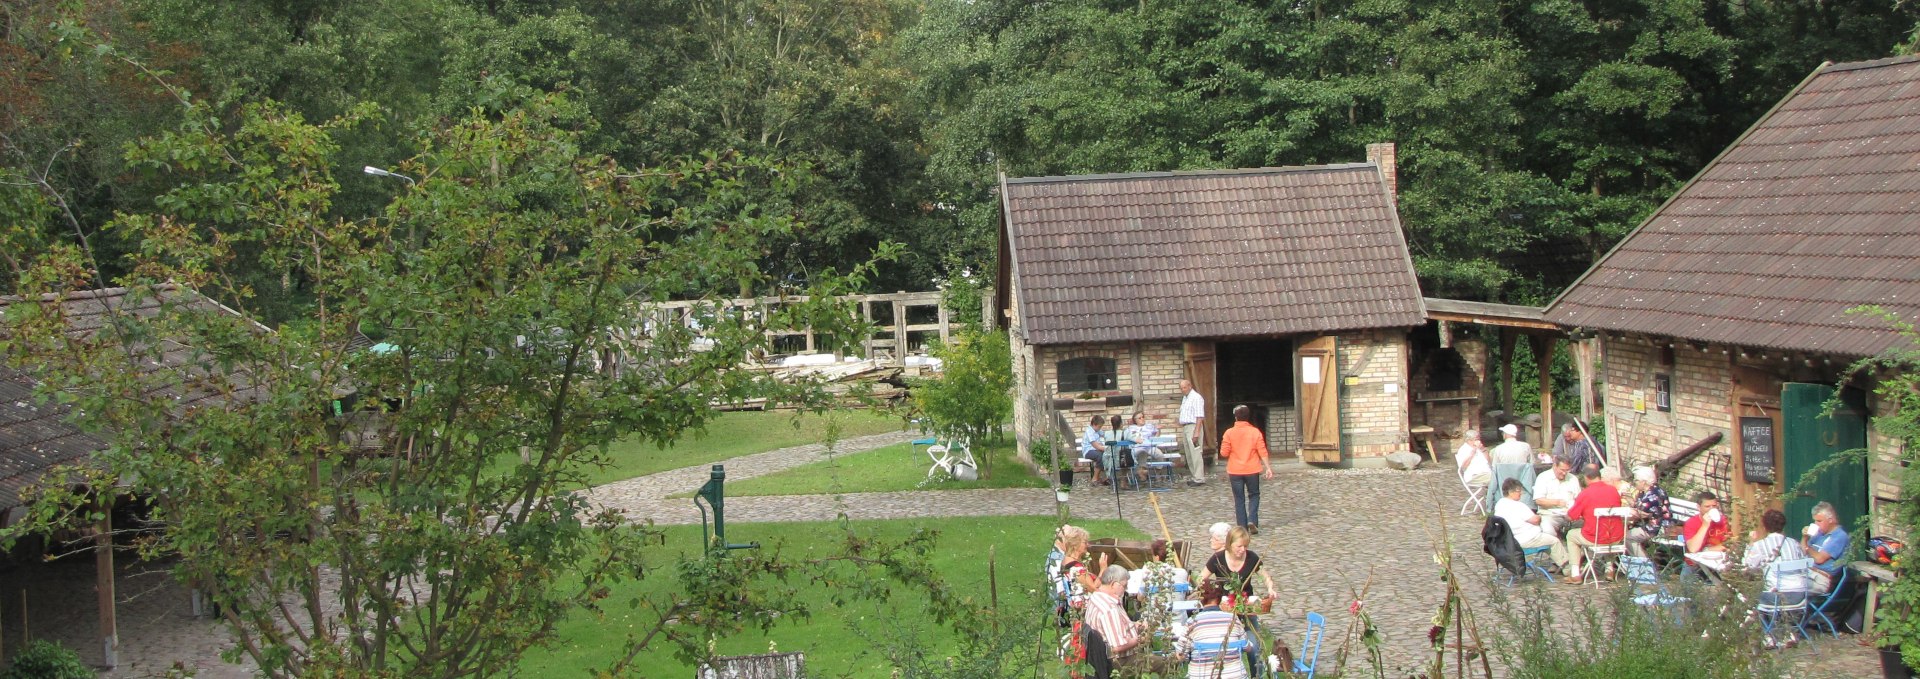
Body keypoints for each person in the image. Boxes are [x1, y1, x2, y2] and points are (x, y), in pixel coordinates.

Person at [1084, 565, 1177, 676]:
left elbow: (1111, 627)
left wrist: (1134, 625)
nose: (1126, 589)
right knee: (1166, 663)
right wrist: (1141, 639)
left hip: (1100, 657)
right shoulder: (1110, 609)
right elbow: (1117, 647)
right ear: (1114, 584)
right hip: (1119, 662)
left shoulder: (1096, 597)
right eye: (1125, 585)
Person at [1562, 467, 1626, 584]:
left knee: (1571, 535)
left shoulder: (1585, 493)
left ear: (1586, 478)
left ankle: (1575, 574)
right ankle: (1609, 569)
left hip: (1595, 538)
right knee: (1607, 529)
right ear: (1599, 477)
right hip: (1616, 538)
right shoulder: (1613, 490)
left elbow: (1571, 516)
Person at [1178, 581, 1251, 679]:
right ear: (1220, 599)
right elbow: (1247, 647)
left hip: (1201, 675)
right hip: (1234, 675)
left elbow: (1180, 655)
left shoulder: (1193, 621)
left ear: (1201, 599)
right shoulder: (1233, 619)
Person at [1218, 405, 1274, 534]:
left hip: (1235, 470)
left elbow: (1224, 453)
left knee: (1239, 499)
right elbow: (1262, 451)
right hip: (1252, 469)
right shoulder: (1255, 432)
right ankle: (1252, 520)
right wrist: (1268, 468)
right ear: (1248, 417)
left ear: (1236, 417)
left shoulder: (1229, 433)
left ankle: (1242, 527)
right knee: (1254, 495)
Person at [1493, 477, 1564, 568]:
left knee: (1546, 539)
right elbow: (1535, 520)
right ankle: (1567, 567)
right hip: (1524, 539)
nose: (1521, 493)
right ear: (1510, 492)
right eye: (1518, 491)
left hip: (1507, 540)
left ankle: (1558, 563)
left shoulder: (1500, 504)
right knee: (1554, 541)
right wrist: (1539, 516)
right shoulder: (1518, 506)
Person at [1205, 526, 1277, 601]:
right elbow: (1201, 578)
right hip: (1224, 603)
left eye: (1245, 546)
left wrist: (1270, 588)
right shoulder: (1218, 558)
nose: (1243, 549)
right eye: (1239, 546)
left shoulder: (1252, 557)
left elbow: (1265, 577)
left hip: (1246, 602)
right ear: (1230, 544)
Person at [1624, 466, 1673, 557]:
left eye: (1636, 480)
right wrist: (1629, 499)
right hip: (1647, 524)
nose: (1635, 483)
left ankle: (1644, 566)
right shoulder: (1645, 492)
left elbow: (1640, 514)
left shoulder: (1653, 494)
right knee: (1625, 533)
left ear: (1643, 482)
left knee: (1628, 537)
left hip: (1657, 528)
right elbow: (1640, 508)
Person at [1802, 501, 1850, 595]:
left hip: (1819, 579)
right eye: (1815, 521)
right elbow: (1802, 551)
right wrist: (1805, 537)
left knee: (1787, 585)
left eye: (1819, 521)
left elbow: (1820, 559)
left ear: (1830, 520)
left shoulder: (1839, 536)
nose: (1816, 524)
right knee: (1780, 581)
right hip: (1807, 573)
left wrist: (1807, 547)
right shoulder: (1819, 533)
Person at [1682, 491, 1732, 578]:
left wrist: (1707, 549)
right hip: (1695, 564)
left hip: (1717, 563)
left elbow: (1729, 544)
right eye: (1707, 506)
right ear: (1699, 507)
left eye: (1714, 506)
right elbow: (1693, 549)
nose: (1711, 509)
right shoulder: (1691, 523)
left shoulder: (1723, 520)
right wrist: (1705, 526)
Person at [1531, 456, 1580, 535]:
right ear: (1554, 466)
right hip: (1550, 514)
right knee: (1547, 530)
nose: (1564, 473)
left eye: (1567, 470)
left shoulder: (1573, 478)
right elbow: (1538, 500)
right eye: (1562, 470)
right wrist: (1556, 502)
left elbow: (1578, 499)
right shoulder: (1543, 477)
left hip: (1570, 515)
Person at [1179, 379, 1207, 485]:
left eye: (1184, 387)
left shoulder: (1196, 397)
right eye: (1181, 388)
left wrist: (1196, 432)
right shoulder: (1185, 398)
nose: (1182, 390)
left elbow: (1199, 416)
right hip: (1186, 427)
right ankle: (1194, 476)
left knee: (1195, 452)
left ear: (1190, 386)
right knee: (1189, 453)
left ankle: (1199, 478)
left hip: (1193, 427)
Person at [1081, 415, 1111, 486]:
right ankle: (1095, 479)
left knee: (1108, 455)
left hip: (1096, 450)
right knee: (1100, 456)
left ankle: (1106, 477)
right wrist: (1108, 448)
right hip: (1088, 451)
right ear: (1094, 424)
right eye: (1099, 426)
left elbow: (1105, 435)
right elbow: (1097, 446)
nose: (1100, 428)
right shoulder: (1089, 432)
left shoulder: (1096, 430)